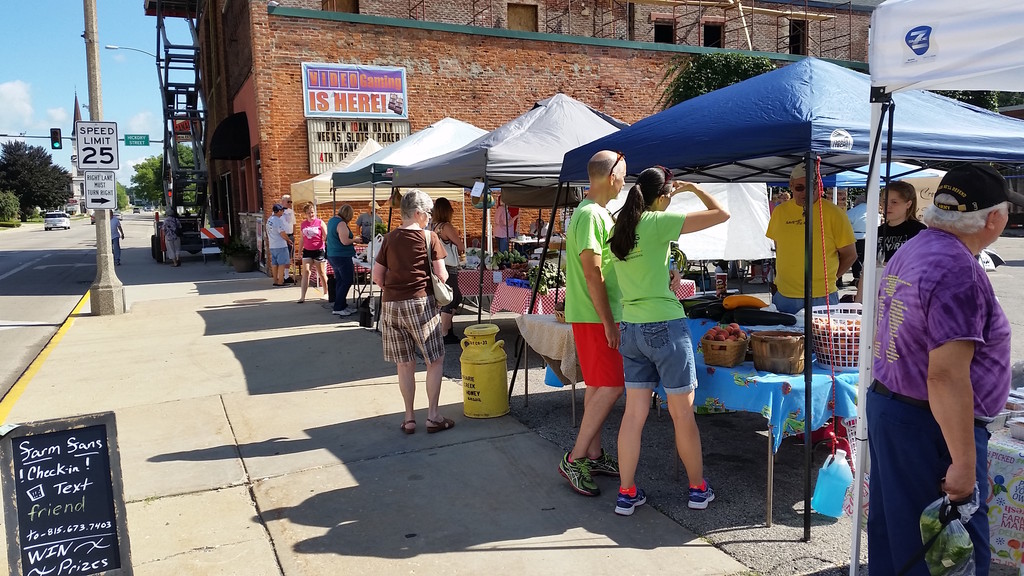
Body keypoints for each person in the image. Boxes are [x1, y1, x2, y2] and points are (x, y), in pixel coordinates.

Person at [868, 164, 1018, 575]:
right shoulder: (958, 270)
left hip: (900, 409)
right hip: (930, 423)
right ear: (993, 218)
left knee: (900, 538)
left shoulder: (919, 245)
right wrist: (965, 463)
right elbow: (946, 375)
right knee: (945, 553)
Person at [608, 166, 730, 515]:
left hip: (631, 327)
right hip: (664, 325)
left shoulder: (622, 227)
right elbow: (722, 214)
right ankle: (697, 489)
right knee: (682, 414)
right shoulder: (657, 222)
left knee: (633, 416)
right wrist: (693, 189)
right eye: (670, 195)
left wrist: (665, 274)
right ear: (663, 196)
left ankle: (626, 493)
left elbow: (636, 270)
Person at [557, 150, 626, 497]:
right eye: (623, 175)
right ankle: (576, 456)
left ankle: (593, 453)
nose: (625, 182)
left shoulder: (594, 213)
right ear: (611, 176)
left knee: (600, 386)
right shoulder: (592, 216)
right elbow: (592, 271)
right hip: (595, 316)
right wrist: (609, 322)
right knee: (612, 385)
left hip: (591, 315)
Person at [372, 189, 455, 435]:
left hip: (391, 305)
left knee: (404, 363)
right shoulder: (429, 238)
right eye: (427, 212)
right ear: (418, 213)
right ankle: (433, 415)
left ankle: (409, 418)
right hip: (420, 304)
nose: (429, 216)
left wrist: (394, 289)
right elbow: (442, 275)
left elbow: (378, 276)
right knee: (435, 360)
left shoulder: (389, 238)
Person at [765, 164, 856, 314]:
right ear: (791, 186)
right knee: (781, 337)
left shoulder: (834, 213)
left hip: (821, 296)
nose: (806, 192)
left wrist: (829, 280)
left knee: (821, 337)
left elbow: (850, 255)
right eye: (800, 188)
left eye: (812, 187)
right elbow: (780, 247)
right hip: (784, 295)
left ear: (818, 186)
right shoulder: (780, 212)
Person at [430, 198, 465, 345]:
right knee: (451, 297)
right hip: (448, 266)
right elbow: (460, 245)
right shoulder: (446, 227)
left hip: (439, 264)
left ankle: (447, 329)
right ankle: (444, 332)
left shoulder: (434, 226)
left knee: (453, 296)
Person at [326, 204, 356, 316]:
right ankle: (338, 307)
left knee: (340, 281)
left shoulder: (332, 220)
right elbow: (345, 241)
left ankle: (342, 305)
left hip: (333, 255)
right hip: (342, 256)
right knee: (347, 281)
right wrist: (355, 239)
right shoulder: (342, 224)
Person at [297, 203, 328, 304]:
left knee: (322, 273)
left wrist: (325, 244)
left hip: (318, 250)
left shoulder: (320, 222)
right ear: (305, 214)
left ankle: (326, 292)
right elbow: (302, 239)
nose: (311, 214)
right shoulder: (303, 224)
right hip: (307, 251)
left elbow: (326, 236)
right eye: (309, 213)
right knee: (306, 272)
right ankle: (302, 296)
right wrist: (299, 251)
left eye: (312, 212)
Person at [266, 203, 293, 286]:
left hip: (272, 245)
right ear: (278, 211)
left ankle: (275, 280)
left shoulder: (269, 219)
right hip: (280, 245)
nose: (283, 212)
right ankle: (281, 281)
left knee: (274, 264)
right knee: (282, 264)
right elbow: (282, 233)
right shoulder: (278, 221)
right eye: (282, 210)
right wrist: (288, 240)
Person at [281, 195, 296, 284]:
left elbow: (294, 224)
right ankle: (281, 275)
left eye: (291, 202)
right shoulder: (278, 211)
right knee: (283, 256)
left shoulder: (291, 212)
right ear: (283, 202)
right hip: (282, 236)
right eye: (288, 202)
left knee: (289, 256)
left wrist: (293, 235)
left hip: (290, 235)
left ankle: (287, 275)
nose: (290, 203)